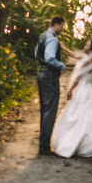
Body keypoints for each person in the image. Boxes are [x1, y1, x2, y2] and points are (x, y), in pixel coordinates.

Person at [50, 40, 92, 158]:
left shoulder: (87, 61)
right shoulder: (88, 59)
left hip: (83, 90)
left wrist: (70, 90)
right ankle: (85, 143)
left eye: (87, 45)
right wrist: (64, 48)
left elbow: (78, 77)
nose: (84, 46)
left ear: (90, 49)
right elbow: (76, 55)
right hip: (88, 90)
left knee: (79, 116)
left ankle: (77, 144)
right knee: (86, 116)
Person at [35, 16, 68, 156]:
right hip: (50, 76)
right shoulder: (53, 39)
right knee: (50, 111)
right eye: (62, 26)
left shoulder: (43, 36)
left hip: (41, 74)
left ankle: (43, 145)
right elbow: (49, 58)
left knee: (44, 109)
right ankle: (44, 147)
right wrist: (61, 65)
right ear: (57, 24)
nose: (62, 29)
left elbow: (37, 54)